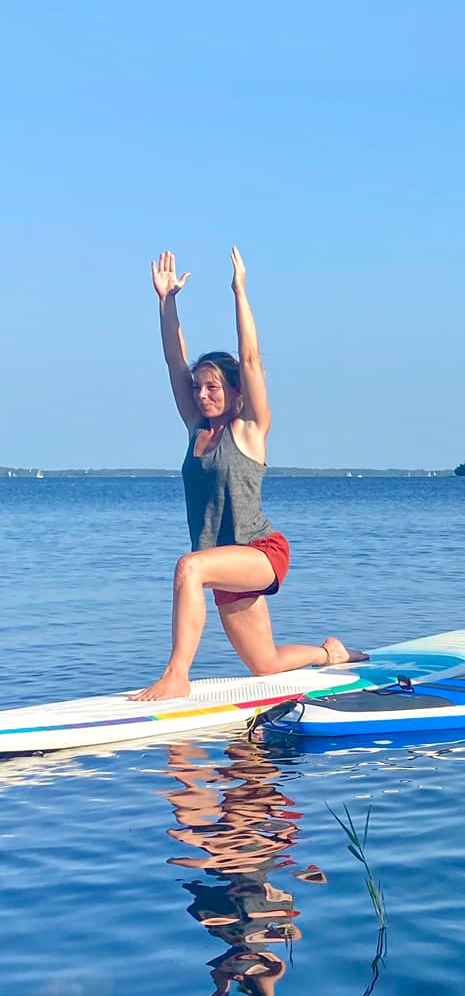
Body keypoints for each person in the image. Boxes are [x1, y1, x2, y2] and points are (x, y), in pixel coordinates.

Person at [132, 249, 361, 702]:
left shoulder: (249, 429)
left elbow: (252, 360)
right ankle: (329, 653)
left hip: (259, 551)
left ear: (235, 391)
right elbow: (173, 364)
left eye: (213, 386)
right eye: (198, 388)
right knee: (265, 664)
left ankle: (177, 675)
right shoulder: (197, 430)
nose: (201, 394)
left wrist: (239, 291)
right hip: (225, 561)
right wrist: (166, 302)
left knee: (189, 567)